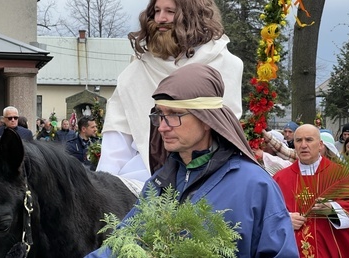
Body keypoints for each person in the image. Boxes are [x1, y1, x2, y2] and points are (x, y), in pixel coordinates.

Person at [86, 64, 299, 257]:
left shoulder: (254, 185)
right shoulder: (160, 185)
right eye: (160, 114)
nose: (161, 126)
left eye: (174, 114)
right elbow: (121, 247)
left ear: (207, 120)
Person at [96, 0, 243, 183]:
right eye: (156, 11)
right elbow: (117, 137)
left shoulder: (225, 65)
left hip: (209, 177)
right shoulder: (136, 72)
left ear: (193, 15)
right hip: (140, 179)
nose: (160, 18)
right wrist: (105, 186)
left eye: (170, 11)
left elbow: (225, 132)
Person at [273, 124, 349, 257]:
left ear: (320, 145)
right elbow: (268, 214)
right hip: (293, 250)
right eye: (298, 140)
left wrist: (333, 209)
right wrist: (285, 220)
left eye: (308, 140)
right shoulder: (280, 179)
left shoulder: (340, 175)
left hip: (330, 249)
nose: (303, 145)